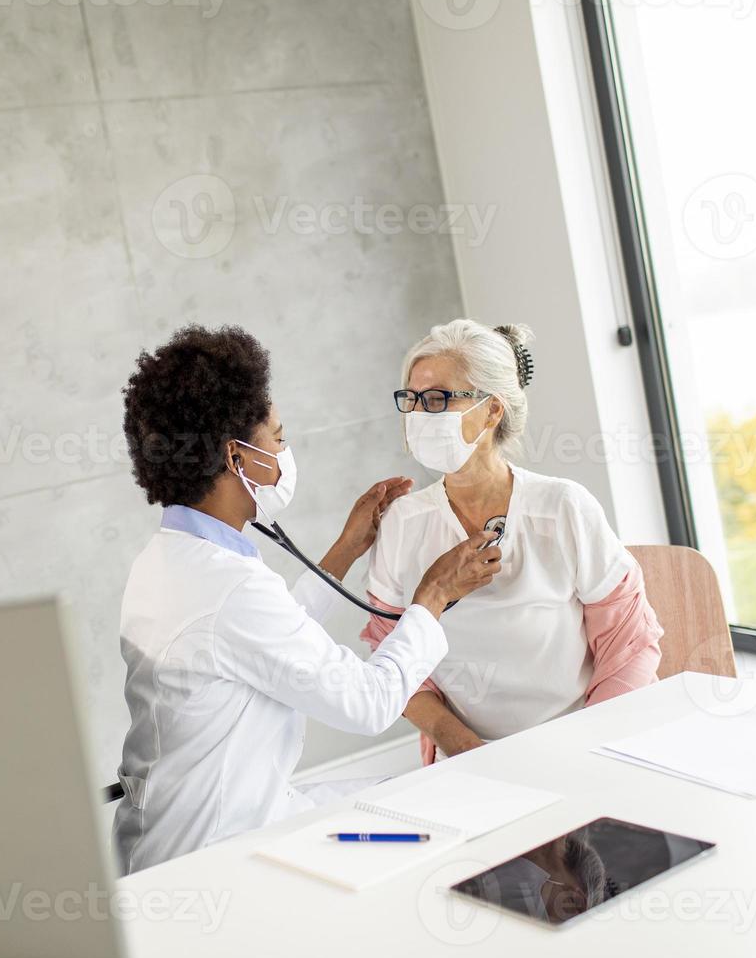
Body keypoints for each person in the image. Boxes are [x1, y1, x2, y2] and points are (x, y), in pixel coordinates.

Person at [111, 325, 501, 874]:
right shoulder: (227, 587)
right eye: (279, 438)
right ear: (238, 457)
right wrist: (434, 595)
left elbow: (265, 634)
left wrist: (344, 549)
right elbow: (368, 702)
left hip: (175, 834)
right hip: (214, 859)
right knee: (435, 824)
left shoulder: (167, 560)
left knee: (409, 803)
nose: (285, 452)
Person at [360, 318, 664, 764]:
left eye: (439, 399)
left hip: (583, 746)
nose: (420, 415)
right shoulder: (404, 521)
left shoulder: (562, 508)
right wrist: (468, 751)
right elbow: (396, 666)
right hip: (465, 760)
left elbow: (629, 648)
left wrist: (588, 751)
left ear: (492, 410)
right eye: (412, 399)